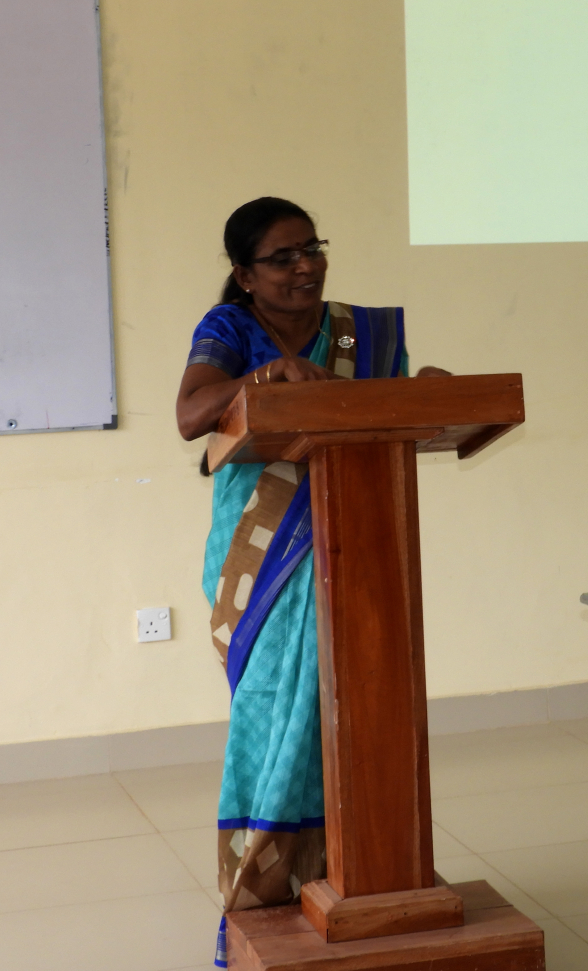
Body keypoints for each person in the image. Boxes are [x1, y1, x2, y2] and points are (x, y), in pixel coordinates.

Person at [175, 197, 446, 967]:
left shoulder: (358, 334)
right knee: (276, 706)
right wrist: (258, 380)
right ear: (245, 275)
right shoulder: (229, 328)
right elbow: (191, 414)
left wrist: (423, 388)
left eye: (313, 249)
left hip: (357, 541)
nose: (306, 267)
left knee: (362, 694)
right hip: (264, 553)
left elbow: (374, 406)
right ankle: (262, 890)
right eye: (284, 257)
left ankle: (360, 870)